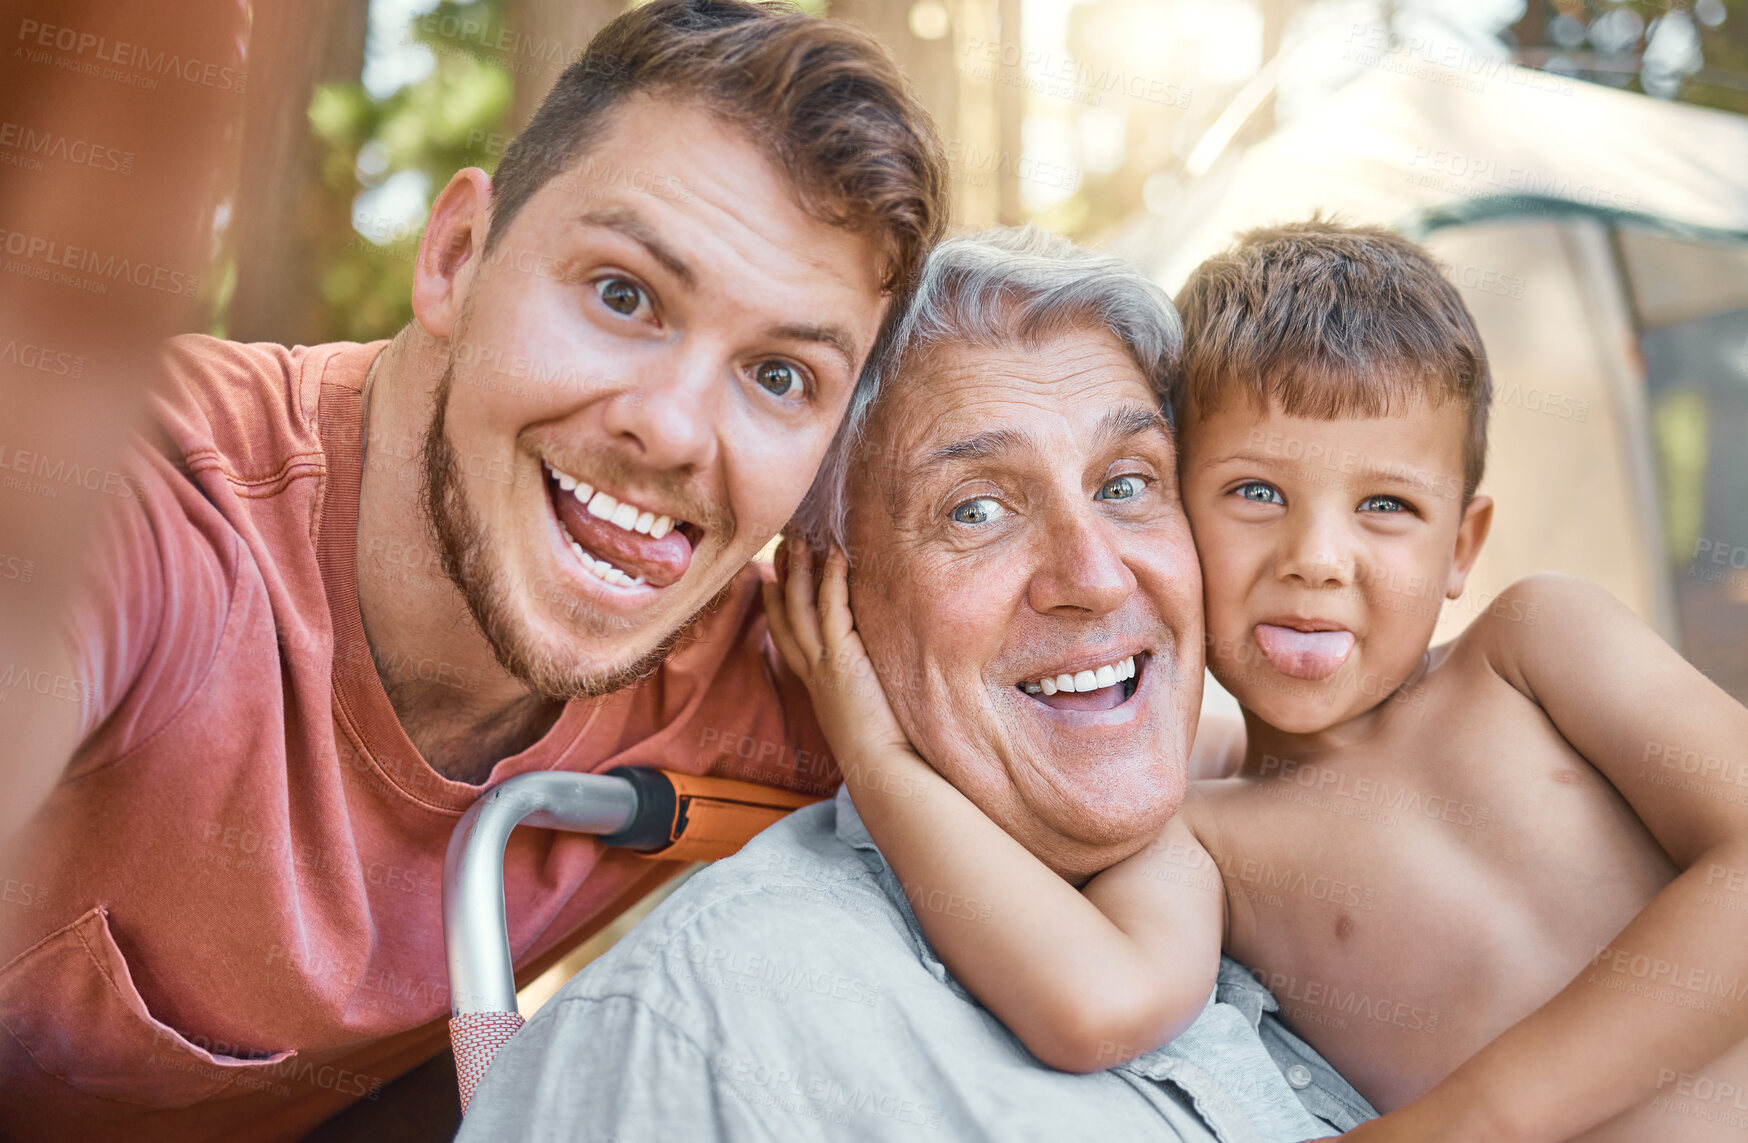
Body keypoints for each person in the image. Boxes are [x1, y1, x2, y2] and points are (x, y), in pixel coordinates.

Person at [0, 2, 947, 1138]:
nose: (678, 430)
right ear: (455, 257)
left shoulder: (772, 684)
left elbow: (1147, 773)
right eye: (622, 293)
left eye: (781, 376)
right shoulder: (158, 504)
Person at [776, 220, 1748, 1143]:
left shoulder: (1536, 647)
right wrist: (874, 755)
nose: (1315, 558)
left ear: (1461, 547)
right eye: (1253, 493)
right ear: (1164, 508)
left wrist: (1472, 1121)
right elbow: (1093, 1006)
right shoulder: (1196, 835)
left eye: (1383, 504)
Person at [456, 228, 1378, 1142]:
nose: (1095, 575)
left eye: (1128, 483)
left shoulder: (1316, 860)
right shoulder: (706, 1029)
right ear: (834, 590)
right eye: (976, 508)